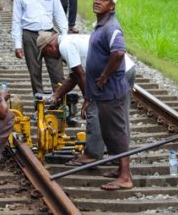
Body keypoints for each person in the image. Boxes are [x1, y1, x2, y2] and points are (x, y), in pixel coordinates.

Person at [38, 28, 137, 170]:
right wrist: (56, 95)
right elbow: (73, 77)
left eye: (46, 54)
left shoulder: (66, 45)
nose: (49, 58)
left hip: (115, 71)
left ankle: (92, 154)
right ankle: (119, 157)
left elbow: (80, 74)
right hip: (126, 67)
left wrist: (88, 98)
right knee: (119, 115)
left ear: (50, 46)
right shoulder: (71, 41)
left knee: (94, 109)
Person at [80, 0, 133, 190]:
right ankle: (120, 169)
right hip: (104, 92)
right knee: (110, 133)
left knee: (117, 133)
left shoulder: (111, 27)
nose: (97, 1)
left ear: (112, 6)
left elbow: (118, 52)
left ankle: (126, 177)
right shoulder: (101, 25)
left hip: (111, 90)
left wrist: (103, 77)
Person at [11, 0, 67, 96]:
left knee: (57, 72)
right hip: (30, 36)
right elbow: (16, 21)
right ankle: (39, 105)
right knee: (35, 74)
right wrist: (18, 45)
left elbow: (58, 12)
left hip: (49, 35)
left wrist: (64, 36)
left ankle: (60, 104)